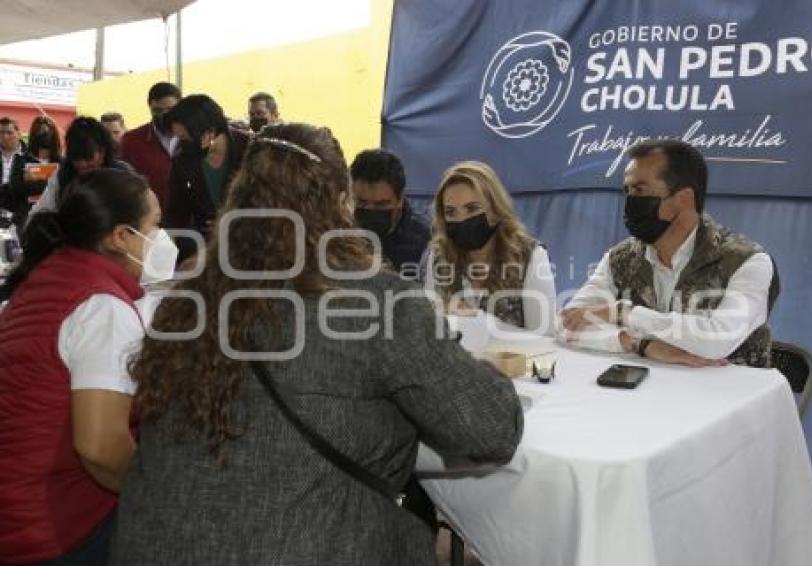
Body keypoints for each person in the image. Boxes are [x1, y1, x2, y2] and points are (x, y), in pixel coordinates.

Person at [110, 123, 523, 565]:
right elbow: (492, 429)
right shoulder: (372, 301)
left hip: (155, 543)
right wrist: (480, 370)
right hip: (309, 544)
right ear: (339, 205)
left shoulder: (187, 302)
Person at [0, 168, 178, 564]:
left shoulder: (48, 278)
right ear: (120, 236)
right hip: (57, 523)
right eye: (155, 226)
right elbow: (100, 448)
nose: (163, 240)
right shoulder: (102, 307)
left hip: (18, 509)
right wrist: (159, 497)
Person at [561, 139, 780, 368]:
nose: (629, 201)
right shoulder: (622, 257)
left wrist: (625, 313)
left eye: (639, 190)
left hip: (730, 394)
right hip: (646, 393)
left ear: (683, 199)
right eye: (626, 190)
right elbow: (566, 322)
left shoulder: (746, 261)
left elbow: (717, 340)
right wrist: (637, 344)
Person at [422, 161, 558, 335]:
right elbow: (428, 331)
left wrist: (477, 320)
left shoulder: (530, 256)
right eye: (450, 212)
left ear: (495, 209)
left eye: (472, 209)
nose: (461, 219)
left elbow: (544, 339)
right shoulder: (439, 255)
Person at [163, 94, 251, 260]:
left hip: (255, 248)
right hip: (209, 252)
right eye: (179, 138)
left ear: (209, 132)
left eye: (186, 138)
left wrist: (232, 223)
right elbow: (176, 211)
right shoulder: (182, 161)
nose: (182, 144)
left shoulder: (252, 151)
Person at [28, 116, 134, 218]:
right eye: (76, 158)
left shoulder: (123, 175)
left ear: (103, 152)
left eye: (87, 157)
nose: (82, 164)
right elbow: (38, 213)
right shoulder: (62, 175)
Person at [350, 148, 430, 274]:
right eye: (362, 202)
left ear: (400, 198)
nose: (371, 210)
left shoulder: (426, 242)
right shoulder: (339, 233)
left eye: (381, 204)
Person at [120, 82, 182, 206]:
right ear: (150, 108)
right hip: (146, 215)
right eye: (157, 110)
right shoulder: (132, 140)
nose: (164, 115)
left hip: (189, 217)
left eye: (170, 109)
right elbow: (123, 183)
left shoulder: (194, 138)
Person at [2, 116, 63, 232]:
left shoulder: (62, 162)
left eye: (47, 131)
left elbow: (65, 187)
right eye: (40, 131)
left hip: (56, 216)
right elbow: (16, 188)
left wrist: (34, 179)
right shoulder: (21, 160)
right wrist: (51, 180)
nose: (44, 135)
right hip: (26, 216)